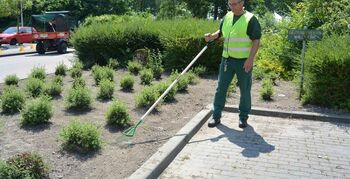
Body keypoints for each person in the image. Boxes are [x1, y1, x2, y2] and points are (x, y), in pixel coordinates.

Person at [204, 0, 261, 128]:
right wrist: (211, 36)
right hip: (227, 60)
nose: (232, 7)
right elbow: (221, 33)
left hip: (243, 61)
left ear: (242, 3)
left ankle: (243, 117)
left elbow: (256, 41)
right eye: (230, 4)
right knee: (221, 89)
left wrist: (250, 59)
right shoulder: (227, 16)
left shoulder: (251, 19)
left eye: (235, 4)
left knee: (245, 90)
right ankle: (216, 116)